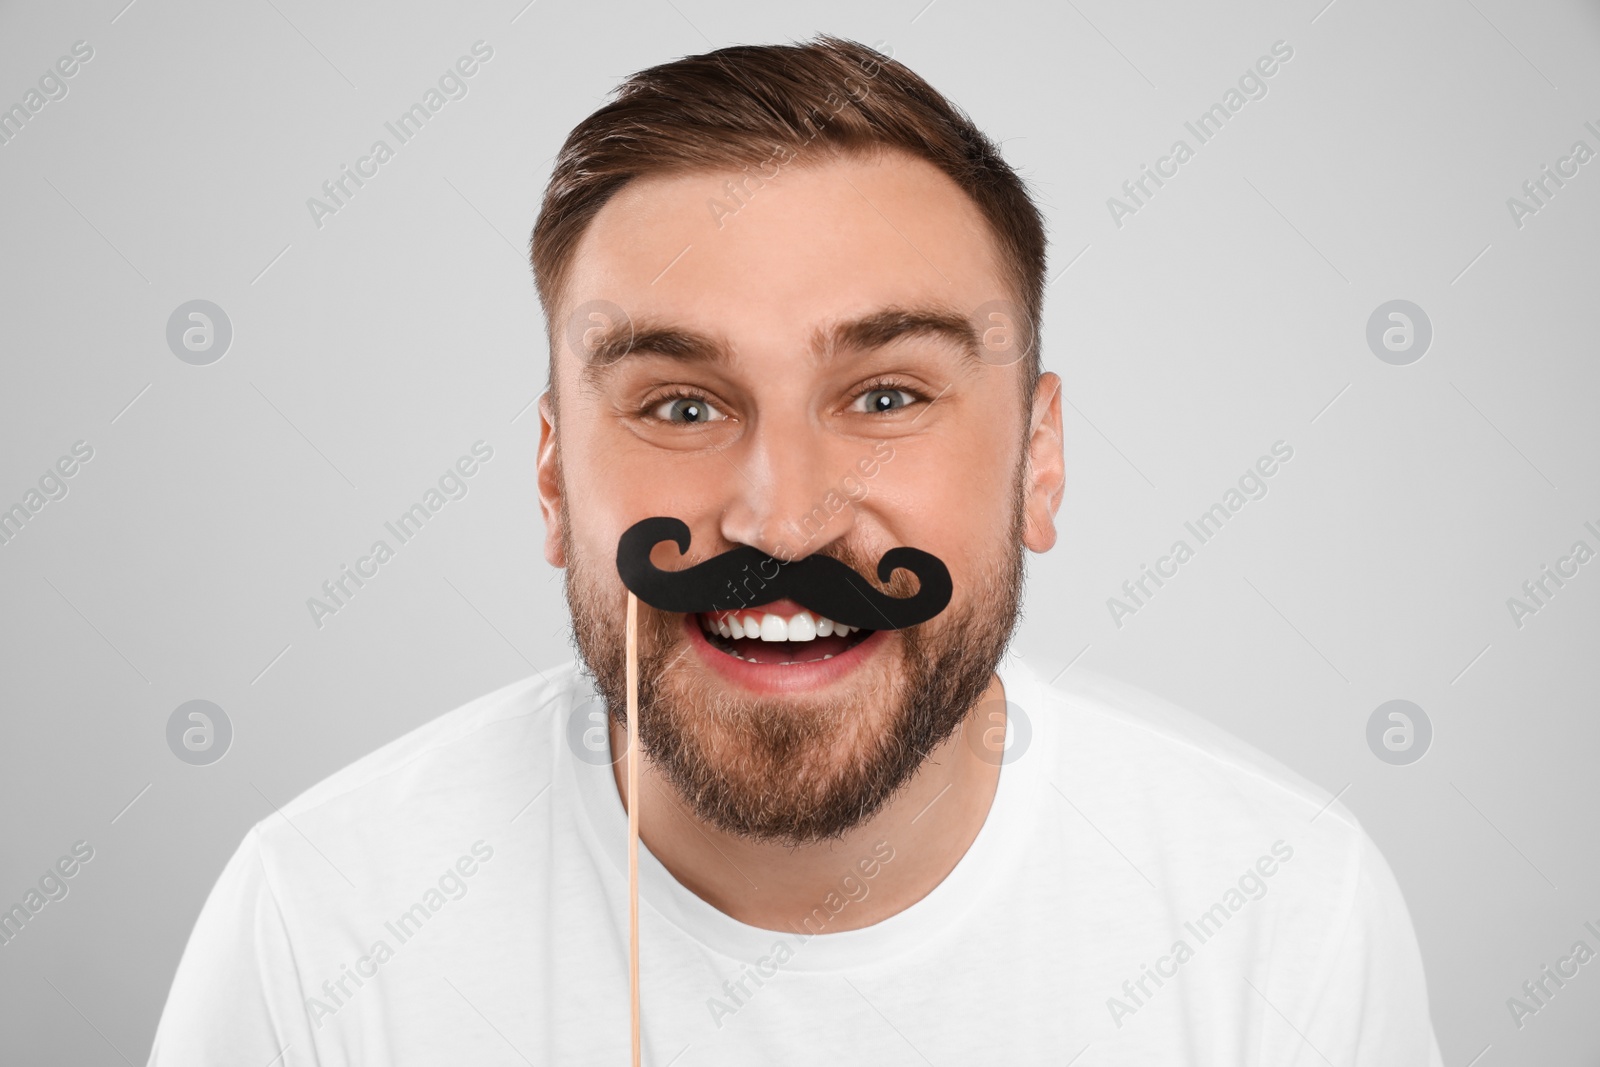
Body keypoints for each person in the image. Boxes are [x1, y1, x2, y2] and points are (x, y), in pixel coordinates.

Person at [148, 36, 1443, 1065]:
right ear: (552, 478)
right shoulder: (320, 929)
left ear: (1038, 462)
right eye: (681, 406)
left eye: (887, 397)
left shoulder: (1280, 918)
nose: (780, 520)